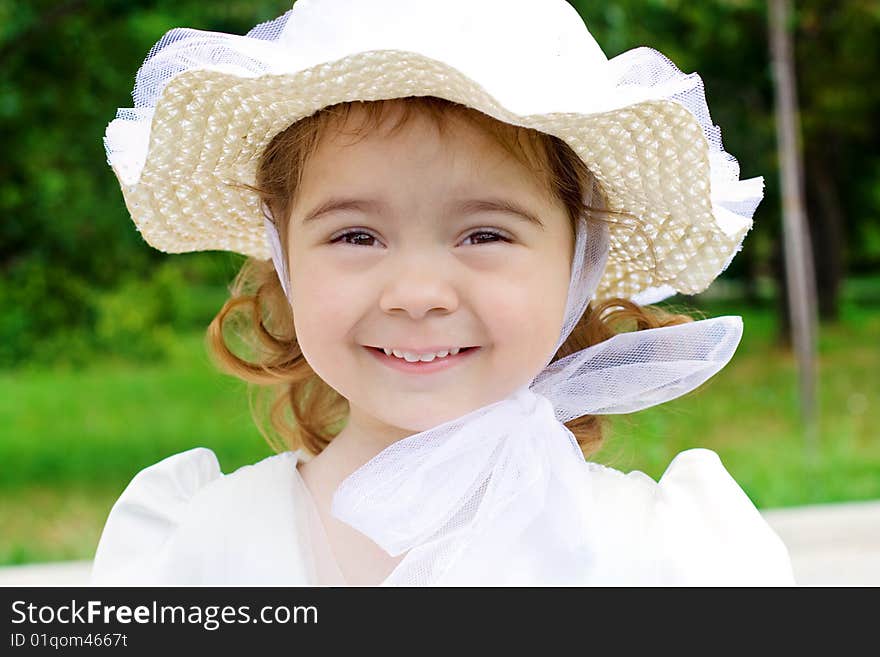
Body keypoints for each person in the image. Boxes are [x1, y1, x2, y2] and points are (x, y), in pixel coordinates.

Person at [89, 0, 796, 586]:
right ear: (284, 254)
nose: (418, 294)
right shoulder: (198, 551)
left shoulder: (664, 557)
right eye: (356, 236)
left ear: (578, 262)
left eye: (485, 235)